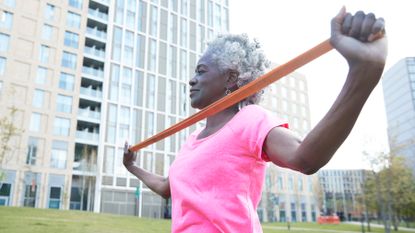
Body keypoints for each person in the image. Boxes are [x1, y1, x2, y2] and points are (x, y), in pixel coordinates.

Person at [123, 7, 387, 233]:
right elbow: (168, 187)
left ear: (230, 78)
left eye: (201, 71)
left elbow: (305, 158)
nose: (192, 80)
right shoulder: (192, 140)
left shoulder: (248, 120)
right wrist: (132, 166)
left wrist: (363, 75)